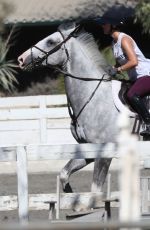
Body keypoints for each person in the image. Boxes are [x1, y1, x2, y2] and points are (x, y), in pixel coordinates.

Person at [95, 16, 150, 137]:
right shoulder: (114, 43)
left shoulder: (124, 39)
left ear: (113, 25)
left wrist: (118, 69)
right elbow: (120, 63)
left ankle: (148, 123)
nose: (102, 26)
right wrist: (110, 69)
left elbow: (133, 61)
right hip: (136, 77)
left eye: (104, 24)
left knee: (132, 94)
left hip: (146, 74)